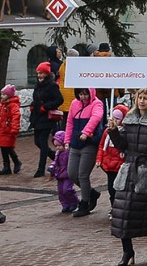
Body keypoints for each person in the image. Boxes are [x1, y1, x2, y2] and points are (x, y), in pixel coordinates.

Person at [110, 86, 147, 266]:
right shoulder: (128, 118)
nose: (142, 101)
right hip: (128, 170)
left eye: (146, 98)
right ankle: (127, 251)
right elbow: (122, 145)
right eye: (139, 97)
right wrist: (113, 131)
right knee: (122, 213)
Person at [65, 86, 105, 216]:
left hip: (89, 144)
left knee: (83, 174)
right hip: (75, 144)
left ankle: (85, 203)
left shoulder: (97, 103)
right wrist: (67, 140)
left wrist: (86, 132)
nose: (83, 97)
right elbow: (69, 122)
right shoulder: (74, 103)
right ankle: (92, 192)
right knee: (72, 174)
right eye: (80, 94)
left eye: (85, 94)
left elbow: (96, 118)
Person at [27, 61, 63, 177]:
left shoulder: (52, 86)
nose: (39, 76)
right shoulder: (38, 85)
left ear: (47, 74)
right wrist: (34, 105)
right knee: (37, 142)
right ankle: (54, 157)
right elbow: (36, 98)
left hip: (47, 118)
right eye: (38, 73)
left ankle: (40, 169)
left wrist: (46, 106)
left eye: (41, 73)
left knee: (42, 142)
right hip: (37, 117)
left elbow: (59, 100)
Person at [0, 84, 22, 174]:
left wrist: (14, 128)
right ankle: (7, 166)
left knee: (8, 147)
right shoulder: (3, 104)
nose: (2, 96)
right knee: (4, 148)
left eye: (4, 94)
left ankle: (16, 162)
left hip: (8, 130)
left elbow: (16, 116)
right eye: (2, 94)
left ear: (9, 95)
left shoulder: (12, 105)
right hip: (2, 130)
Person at [51, 131, 79, 212]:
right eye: (56, 146)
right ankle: (65, 204)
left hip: (67, 174)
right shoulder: (58, 153)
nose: (58, 148)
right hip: (59, 174)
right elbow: (56, 161)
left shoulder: (69, 153)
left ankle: (74, 202)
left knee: (67, 189)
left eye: (59, 145)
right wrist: (53, 166)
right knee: (60, 191)